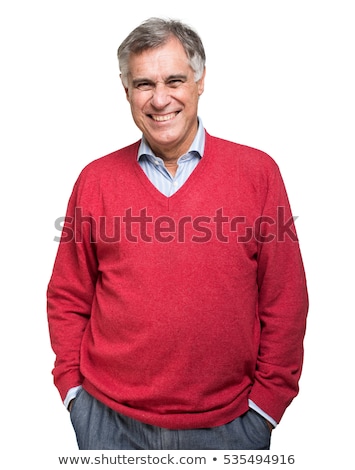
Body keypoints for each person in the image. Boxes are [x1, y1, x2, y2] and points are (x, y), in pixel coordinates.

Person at [47, 17, 308, 450]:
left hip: (231, 425)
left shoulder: (258, 174)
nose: (160, 98)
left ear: (200, 81)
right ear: (126, 90)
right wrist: (75, 395)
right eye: (144, 83)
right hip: (108, 422)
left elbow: (285, 297)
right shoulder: (95, 180)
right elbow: (68, 294)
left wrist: (267, 408)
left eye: (174, 80)